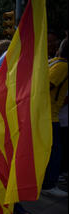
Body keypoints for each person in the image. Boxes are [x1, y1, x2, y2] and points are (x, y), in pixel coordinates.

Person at [41, 38, 68, 198]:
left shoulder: (54, 62)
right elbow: (46, 85)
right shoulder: (62, 66)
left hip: (49, 113)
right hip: (50, 115)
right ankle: (49, 183)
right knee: (54, 151)